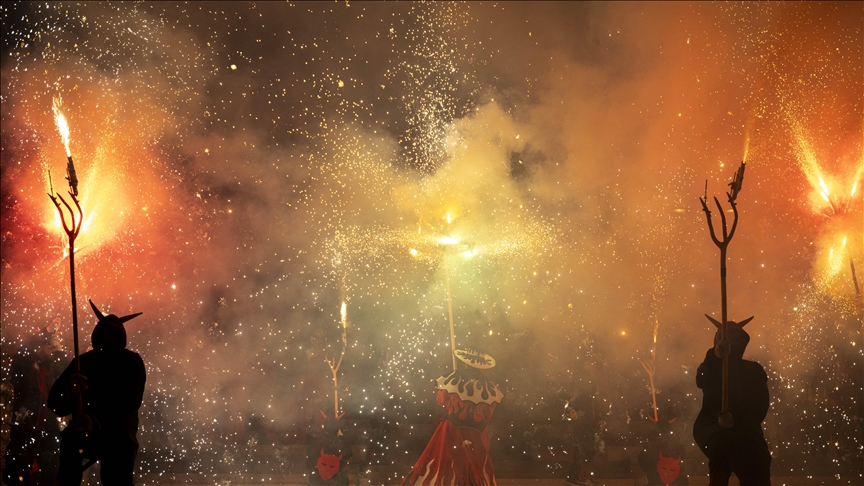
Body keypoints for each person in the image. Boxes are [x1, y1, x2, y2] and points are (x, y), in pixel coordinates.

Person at [48, 300, 146, 486]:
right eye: (104, 334)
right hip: (83, 434)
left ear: (121, 337)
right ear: (96, 334)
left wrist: (97, 421)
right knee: (70, 444)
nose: (108, 340)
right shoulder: (83, 362)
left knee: (120, 454)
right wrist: (68, 391)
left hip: (118, 433)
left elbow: (131, 402)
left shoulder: (131, 362)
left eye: (112, 335)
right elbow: (54, 403)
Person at [401, 349, 503, 486]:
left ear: (465, 363)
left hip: (452, 431)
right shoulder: (490, 386)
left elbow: (440, 400)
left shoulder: (453, 377)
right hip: (477, 434)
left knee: (445, 465)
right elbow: (488, 414)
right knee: (476, 468)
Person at [693, 316, 770, 486]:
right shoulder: (711, 366)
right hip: (711, 426)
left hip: (745, 429)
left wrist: (735, 419)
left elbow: (760, 405)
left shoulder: (754, 370)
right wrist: (714, 356)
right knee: (721, 443)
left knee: (759, 459)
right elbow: (701, 380)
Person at [2, 326, 68, 485]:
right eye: (47, 344)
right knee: (17, 475)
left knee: (52, 475)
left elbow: (66, 371)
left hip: (49, 429)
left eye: (51, 345)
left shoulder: (54, 367)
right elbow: (24, 351)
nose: (50, 347)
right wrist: (46, 331)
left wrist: (59, 350)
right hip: (25, 428)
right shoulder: (25, 365)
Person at [306, 411, 353, 485]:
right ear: (337, 428)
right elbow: (349, 454)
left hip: (319, 482)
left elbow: (309, 458)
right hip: (338, 482)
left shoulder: (316, 443)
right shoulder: (342, 443)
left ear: (324, 427)